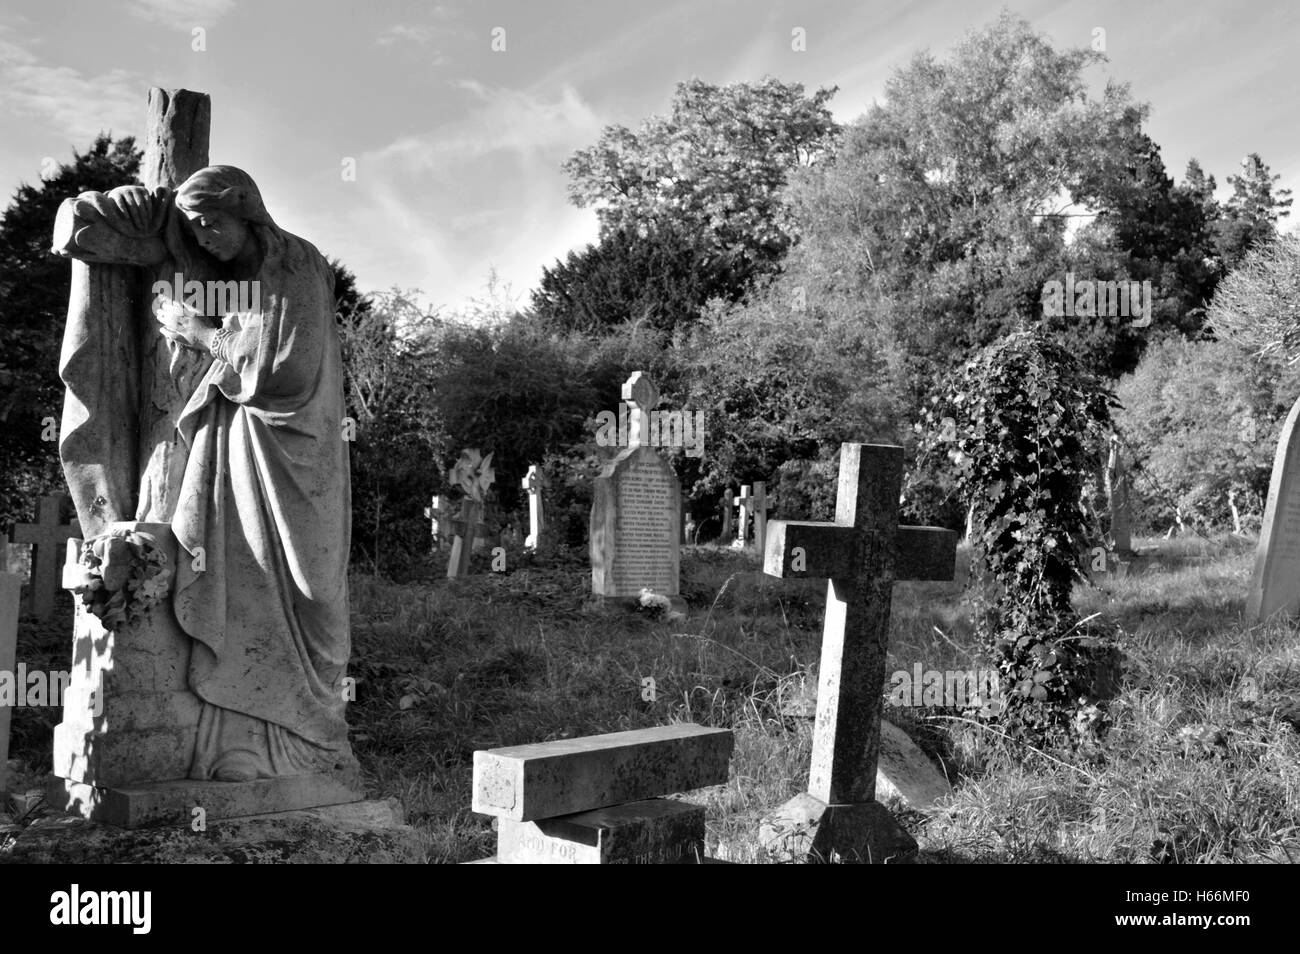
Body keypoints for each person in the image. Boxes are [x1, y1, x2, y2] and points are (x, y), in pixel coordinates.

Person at [151, 166, 356, 783]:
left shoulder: (294, 266)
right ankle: (245, 744)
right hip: (241, 446)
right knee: (244, 578)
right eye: (195, 229)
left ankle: (317, 740)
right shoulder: (239, 280)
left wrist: (201, 333)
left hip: (298, 452)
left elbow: (284, 374)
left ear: (246, 209)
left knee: (312, 589)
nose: (207, 237)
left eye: (212, 221)